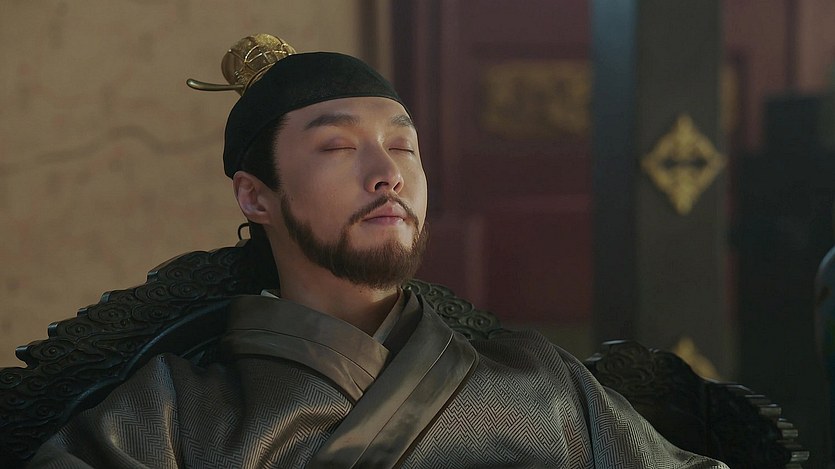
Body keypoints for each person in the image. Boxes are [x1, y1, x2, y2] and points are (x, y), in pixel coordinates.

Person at [28, 34, 727, 468]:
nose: (386, 172)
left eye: (403, 146)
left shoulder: (544, 384)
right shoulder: (170, 418)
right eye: (337, 146)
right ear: (255, 197)